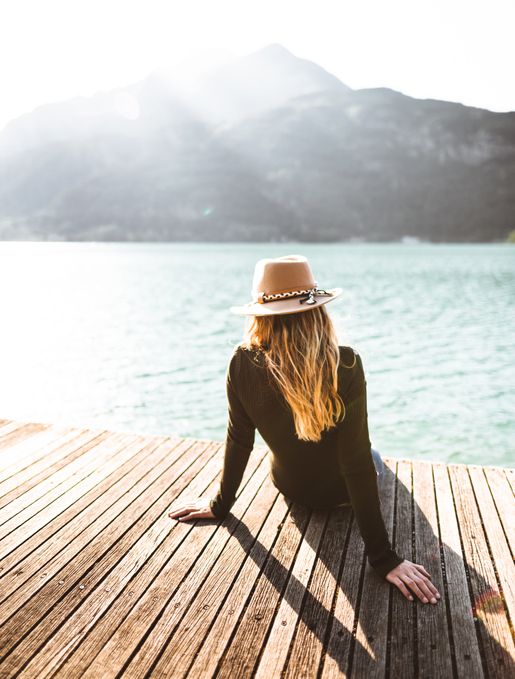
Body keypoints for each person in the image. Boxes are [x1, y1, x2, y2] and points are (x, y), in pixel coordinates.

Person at [169, 255, 440, 605]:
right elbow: (355, 463)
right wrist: (384, 559)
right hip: (340, 495)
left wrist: (220, 506)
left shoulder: (240, 361)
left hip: (291, 488)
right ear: (317, 310)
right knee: (372, 457)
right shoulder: (346, 363)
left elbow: (239, 439)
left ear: (259, 315)